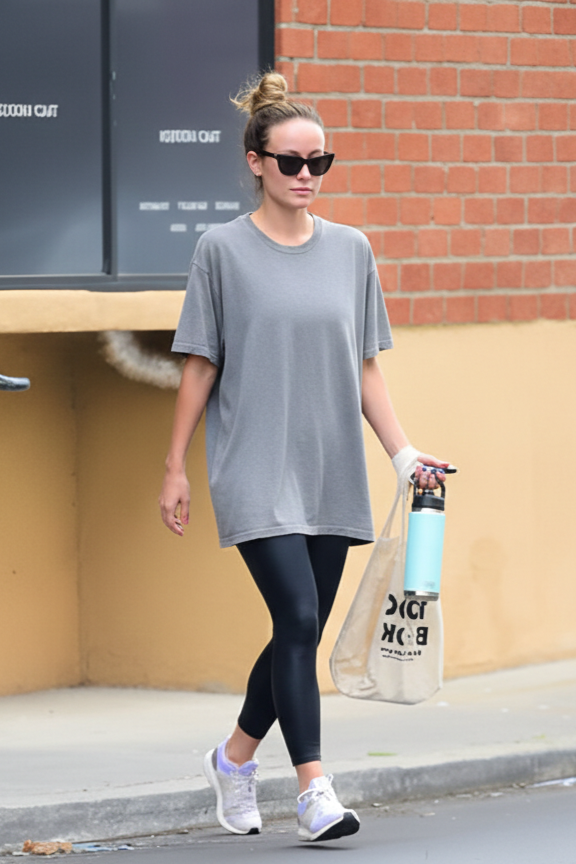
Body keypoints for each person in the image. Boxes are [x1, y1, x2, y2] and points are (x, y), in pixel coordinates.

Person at [159, 71, 449, 843]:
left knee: (302, 628)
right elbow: (200, 365)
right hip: (253, 462)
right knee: (294, 613)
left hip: (331, 464)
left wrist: (403, 454)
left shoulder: (351, 250)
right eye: (290, 161)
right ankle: (314, 789)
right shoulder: (221, 250)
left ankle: (233, 758)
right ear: (255, 161)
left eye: (319, 162)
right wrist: (175, 466)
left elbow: (364, 366)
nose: (306, 175)